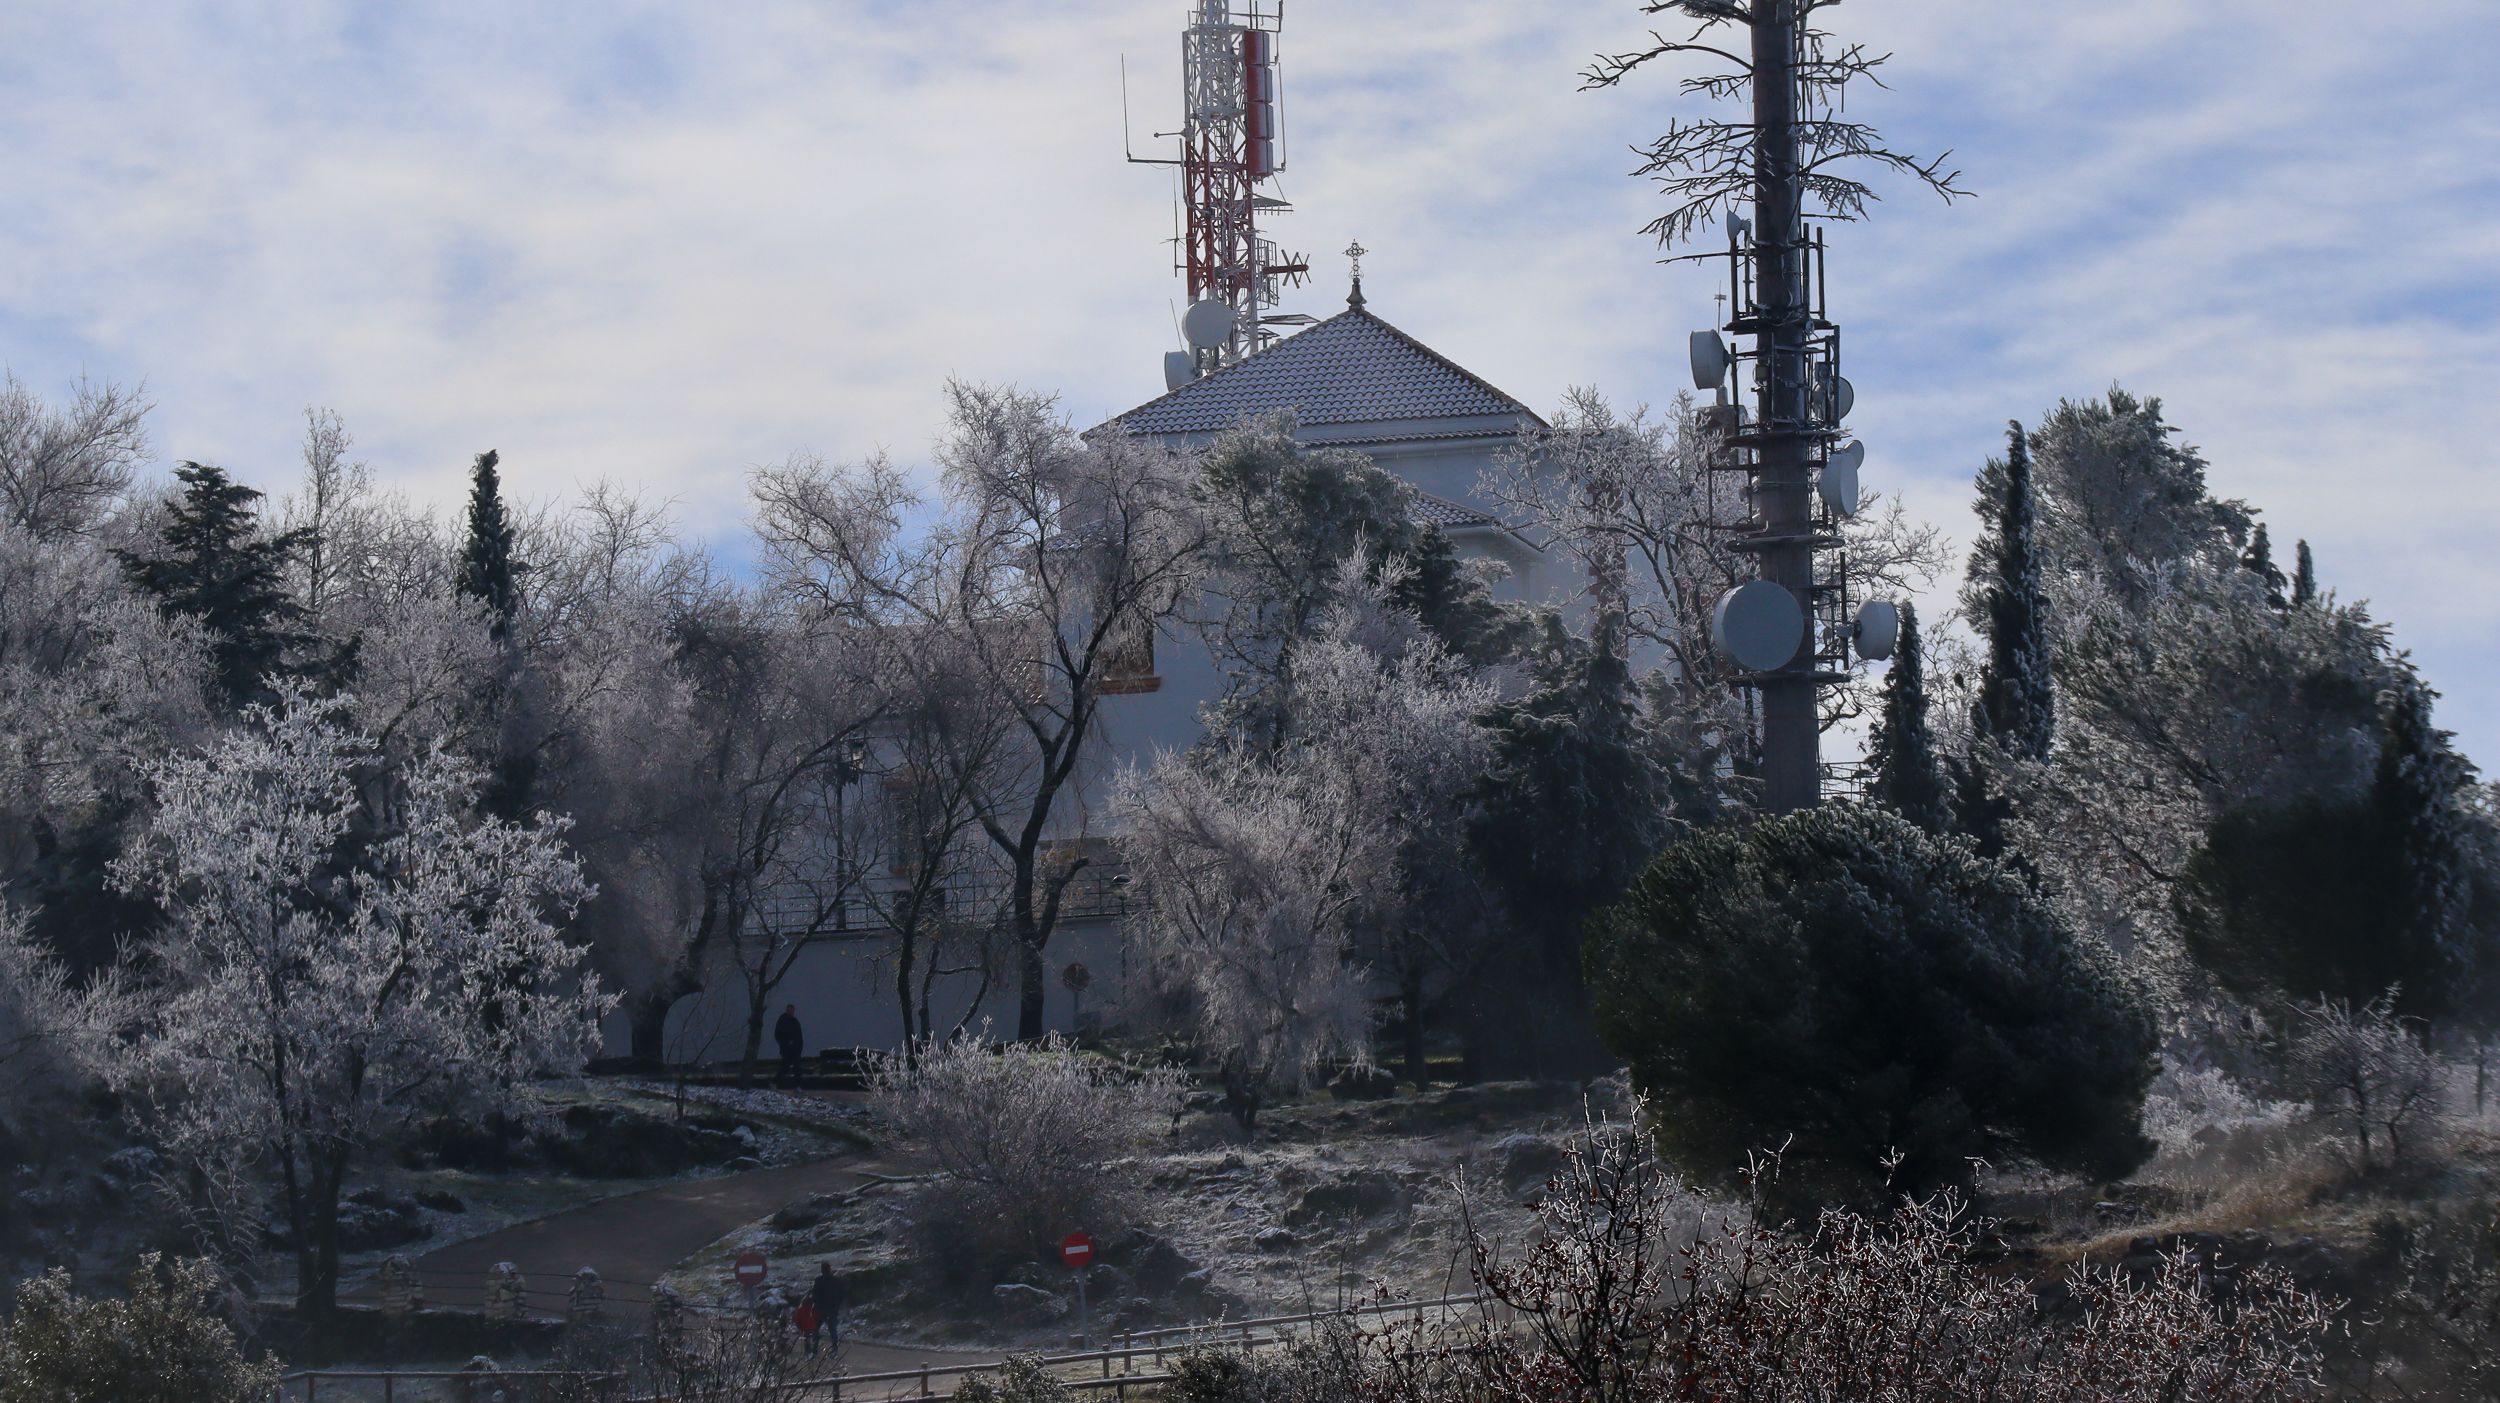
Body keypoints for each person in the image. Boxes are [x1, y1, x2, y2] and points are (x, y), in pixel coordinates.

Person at [811, 1262, 844, 1352]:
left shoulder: (819, 1280)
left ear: (822, 1270)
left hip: (820, 1309)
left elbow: (815, 1295)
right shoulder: (836, 1280)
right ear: (830, 1269)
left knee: (816, 1329)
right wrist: (837, 1306)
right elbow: (841, 1294)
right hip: (832, 1309)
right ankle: (835, 1349)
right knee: (833, 1330)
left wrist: (815, 1306)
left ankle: (815, 1348)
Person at [773, 1003, 805, 1087]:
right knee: (784, 1067)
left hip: (795, 1050)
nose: (791, 1012)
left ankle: (798, 1086)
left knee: (797, 1068)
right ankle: (776, 1082)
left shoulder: (795, 1022)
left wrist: (799, 1047)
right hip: (786, 1049)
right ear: (787, 1011)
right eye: (790, 1011)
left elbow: (799, 1036)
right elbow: (777, 1034)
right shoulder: (782, 1021)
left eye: (792, 1011)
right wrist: (785, 1043)